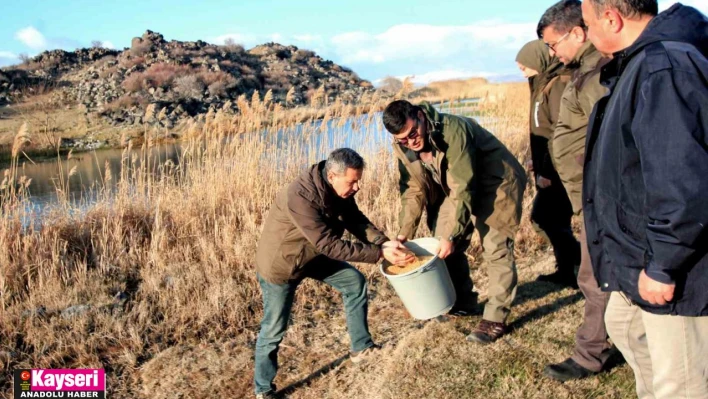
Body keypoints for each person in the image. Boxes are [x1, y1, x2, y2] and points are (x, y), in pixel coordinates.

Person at [582, 1, 708, 397]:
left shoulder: (662, 68)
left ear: (611, 19)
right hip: (638, 253)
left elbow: (682, 181)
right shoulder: (639, 64)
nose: (585, 34)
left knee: (683, 383)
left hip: (677, 271)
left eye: (585, 24)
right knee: (624, 326)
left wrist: (663, 265)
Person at [253, 148, 414, 399]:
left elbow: (354, 219)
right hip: (282, 265)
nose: (357, 187)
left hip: (311, 256)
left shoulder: (338, 190)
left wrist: (383, 243)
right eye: (353, 181)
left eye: (359, 180)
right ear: (332, 176)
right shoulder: (300, 196)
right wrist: (379, 254)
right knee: (274, 329)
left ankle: (361, 348)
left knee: (353, 282)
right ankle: (263, 390)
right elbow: (329, 245)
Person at [383, 99, 526, 344]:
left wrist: (454, 234)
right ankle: (463, 302)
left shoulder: (453, 130)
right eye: (402, 140)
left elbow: (464, 185)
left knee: (496, 248)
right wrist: (403, 234)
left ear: (419, 116)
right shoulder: (403, 146)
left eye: (413, 134)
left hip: (496, 183)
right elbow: (413, 189)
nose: (411, 142)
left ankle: (495, 319)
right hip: (459, 189)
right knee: (441, 244)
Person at [536, 0, 617, 382]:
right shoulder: (581, 70)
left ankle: (590, 355)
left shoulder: (600, 71)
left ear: (578, 33)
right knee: (595, 275)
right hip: (588, 195)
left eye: (554, 44)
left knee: (593, 276)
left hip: (600, 197)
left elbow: (612, 136)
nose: (552, 52)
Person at [516, 39, 580, 289]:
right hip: (549, 166)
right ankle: (567, 269)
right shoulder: (541, 84)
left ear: (538, 59)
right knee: (550, 221)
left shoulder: (558, 85)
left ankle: (580, 263)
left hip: (558, 169)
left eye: (524, 64)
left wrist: (547, 171)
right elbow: (541, 129)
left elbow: (558, 133)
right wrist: (536, 160)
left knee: (545, 219)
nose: (521, 69)